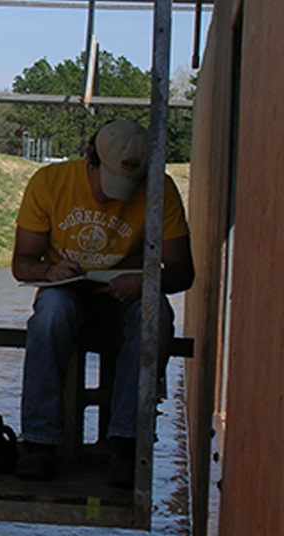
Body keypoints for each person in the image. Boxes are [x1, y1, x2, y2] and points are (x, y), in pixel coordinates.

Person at [10, 120, 194, 487]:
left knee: (154, 315)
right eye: (107, 181)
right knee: (50, 314)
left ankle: (126, 443)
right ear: (89, 158)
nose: (112, 196)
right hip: (68, 296)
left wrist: (144, 281)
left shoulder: (160, 191)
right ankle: (39, 443)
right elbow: (21, 264)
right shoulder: (49, 183)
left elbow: (183, 272)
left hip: (126, 301)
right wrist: (51, 273)